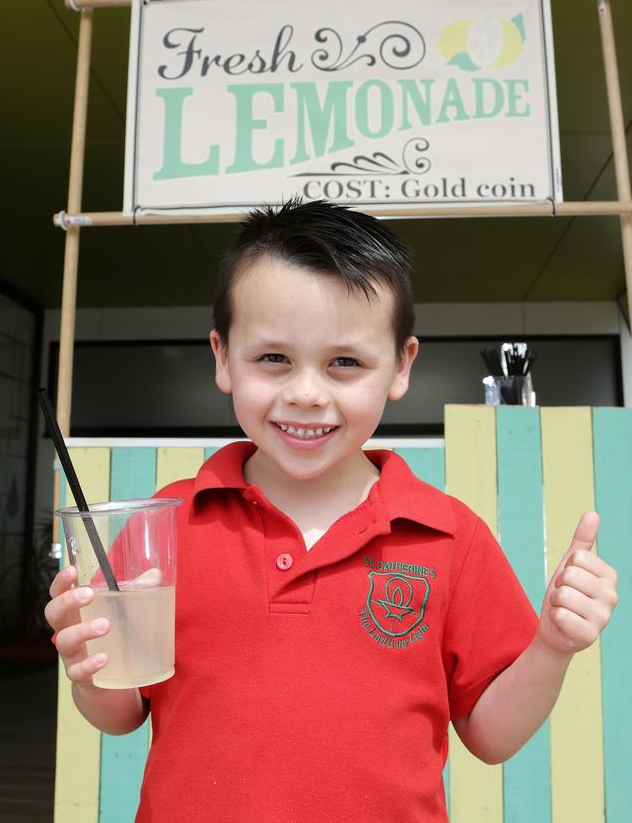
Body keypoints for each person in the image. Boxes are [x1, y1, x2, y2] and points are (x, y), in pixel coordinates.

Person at [45, 199, 618, 822]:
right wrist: (86, 669)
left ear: (401, 366)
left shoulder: (448, 536)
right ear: (221, 356)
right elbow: (120, 714)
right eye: (273, 359)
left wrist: (553, 647)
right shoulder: (168, 523)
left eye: (345, 362)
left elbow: (491, 736)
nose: (307, 393)